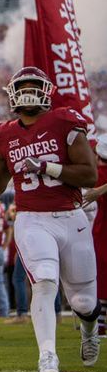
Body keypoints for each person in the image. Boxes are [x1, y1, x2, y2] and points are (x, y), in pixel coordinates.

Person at [0, 67, 101, 372]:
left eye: (35, 86)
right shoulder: (5, 134)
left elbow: (89, 174)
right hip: (32, 218)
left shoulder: (64, 121)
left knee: (84, 302)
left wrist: (48, 167)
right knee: (44, 281)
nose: (29, 91)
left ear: (46, 92)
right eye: (24, 86)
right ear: (12, 94)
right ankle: (47, 355)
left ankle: (89, 332)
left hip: (71, 217)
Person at [81, 134, 107, 337]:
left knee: (101, 277)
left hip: (102, 230)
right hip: (101, 227)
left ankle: (100, 323)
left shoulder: (98, 173)